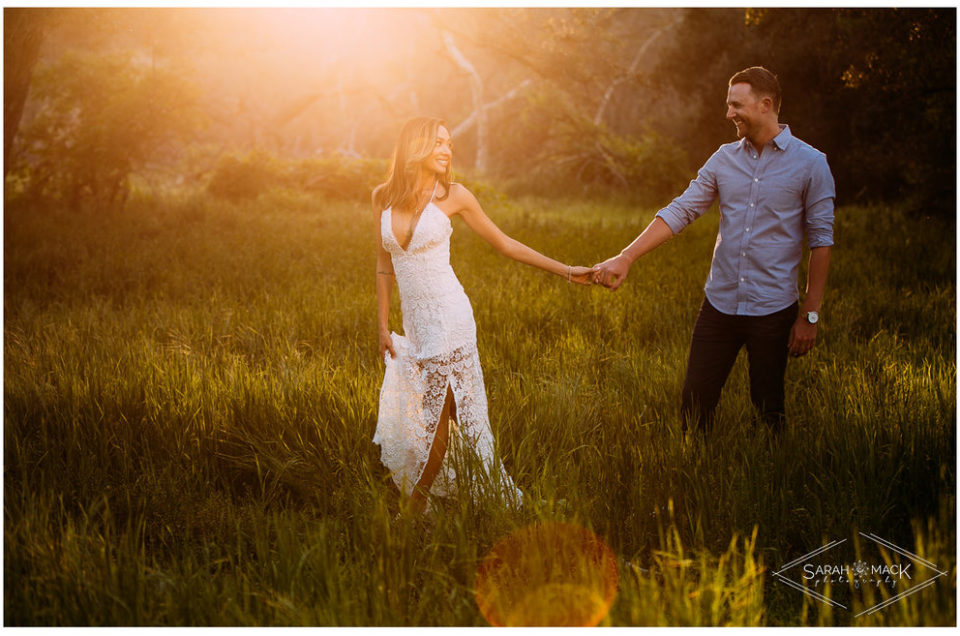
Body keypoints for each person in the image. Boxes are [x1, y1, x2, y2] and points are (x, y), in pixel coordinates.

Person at [593, 66, 835, 435]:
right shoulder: (724, 159)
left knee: (769, 412)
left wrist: (811, 315)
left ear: (766, 105)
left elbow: (821, 240)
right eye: (728, 105)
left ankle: (769, 480)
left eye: (736, 105)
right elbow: (682, 209)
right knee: (693, 407)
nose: (729, 114)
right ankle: (694, 471)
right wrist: (627, 255)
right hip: (719, 304)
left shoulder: (811, 164)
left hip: (772, 309)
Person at [373, 117, 593, 515]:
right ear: (416, 145)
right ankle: (494, 492)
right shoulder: (382, 198)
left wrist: (567, 270)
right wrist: (382, 325)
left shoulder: (454, 196)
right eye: (439, 142)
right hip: (416, 326)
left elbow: (506, 244)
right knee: (455, 414)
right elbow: (383, 264)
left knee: (438, 417)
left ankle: (414, 510)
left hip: (450, 317)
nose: (446, 150)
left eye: (449, 144)